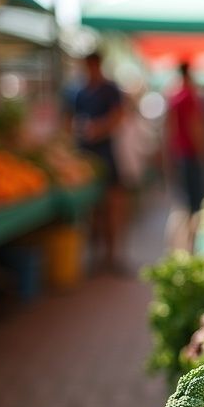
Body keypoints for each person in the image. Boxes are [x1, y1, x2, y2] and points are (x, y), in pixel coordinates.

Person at [71, 51, 126, 271]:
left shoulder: (109, 90)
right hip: (85, 155)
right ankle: (96, 256)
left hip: (105, 153)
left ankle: (111, 256)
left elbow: (118, 116)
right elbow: (71, 119)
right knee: (92, 208)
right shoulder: (80, 93)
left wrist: (98, 129)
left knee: (112, 204)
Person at [166, 62, 204, 248]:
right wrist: (203, 151)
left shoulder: (174, 97)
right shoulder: (188, 97)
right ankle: (189, 243)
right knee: (193, 204)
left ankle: (182, 244)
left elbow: (169, 129)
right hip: (190, 155)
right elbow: (195, 127)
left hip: (180, 154)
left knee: (183, 202)